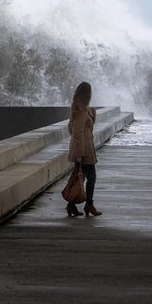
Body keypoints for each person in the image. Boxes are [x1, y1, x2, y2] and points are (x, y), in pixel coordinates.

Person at [66, 81, 101, 217]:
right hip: (83, 152)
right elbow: (77, 132)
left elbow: (71, 128)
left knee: (79, 177)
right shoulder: (80, 110)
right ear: (87, 94)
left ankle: (71, 205)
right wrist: (79, 153)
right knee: (91, 177)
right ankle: (89, 205)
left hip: (84, 149)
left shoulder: (83, 109)